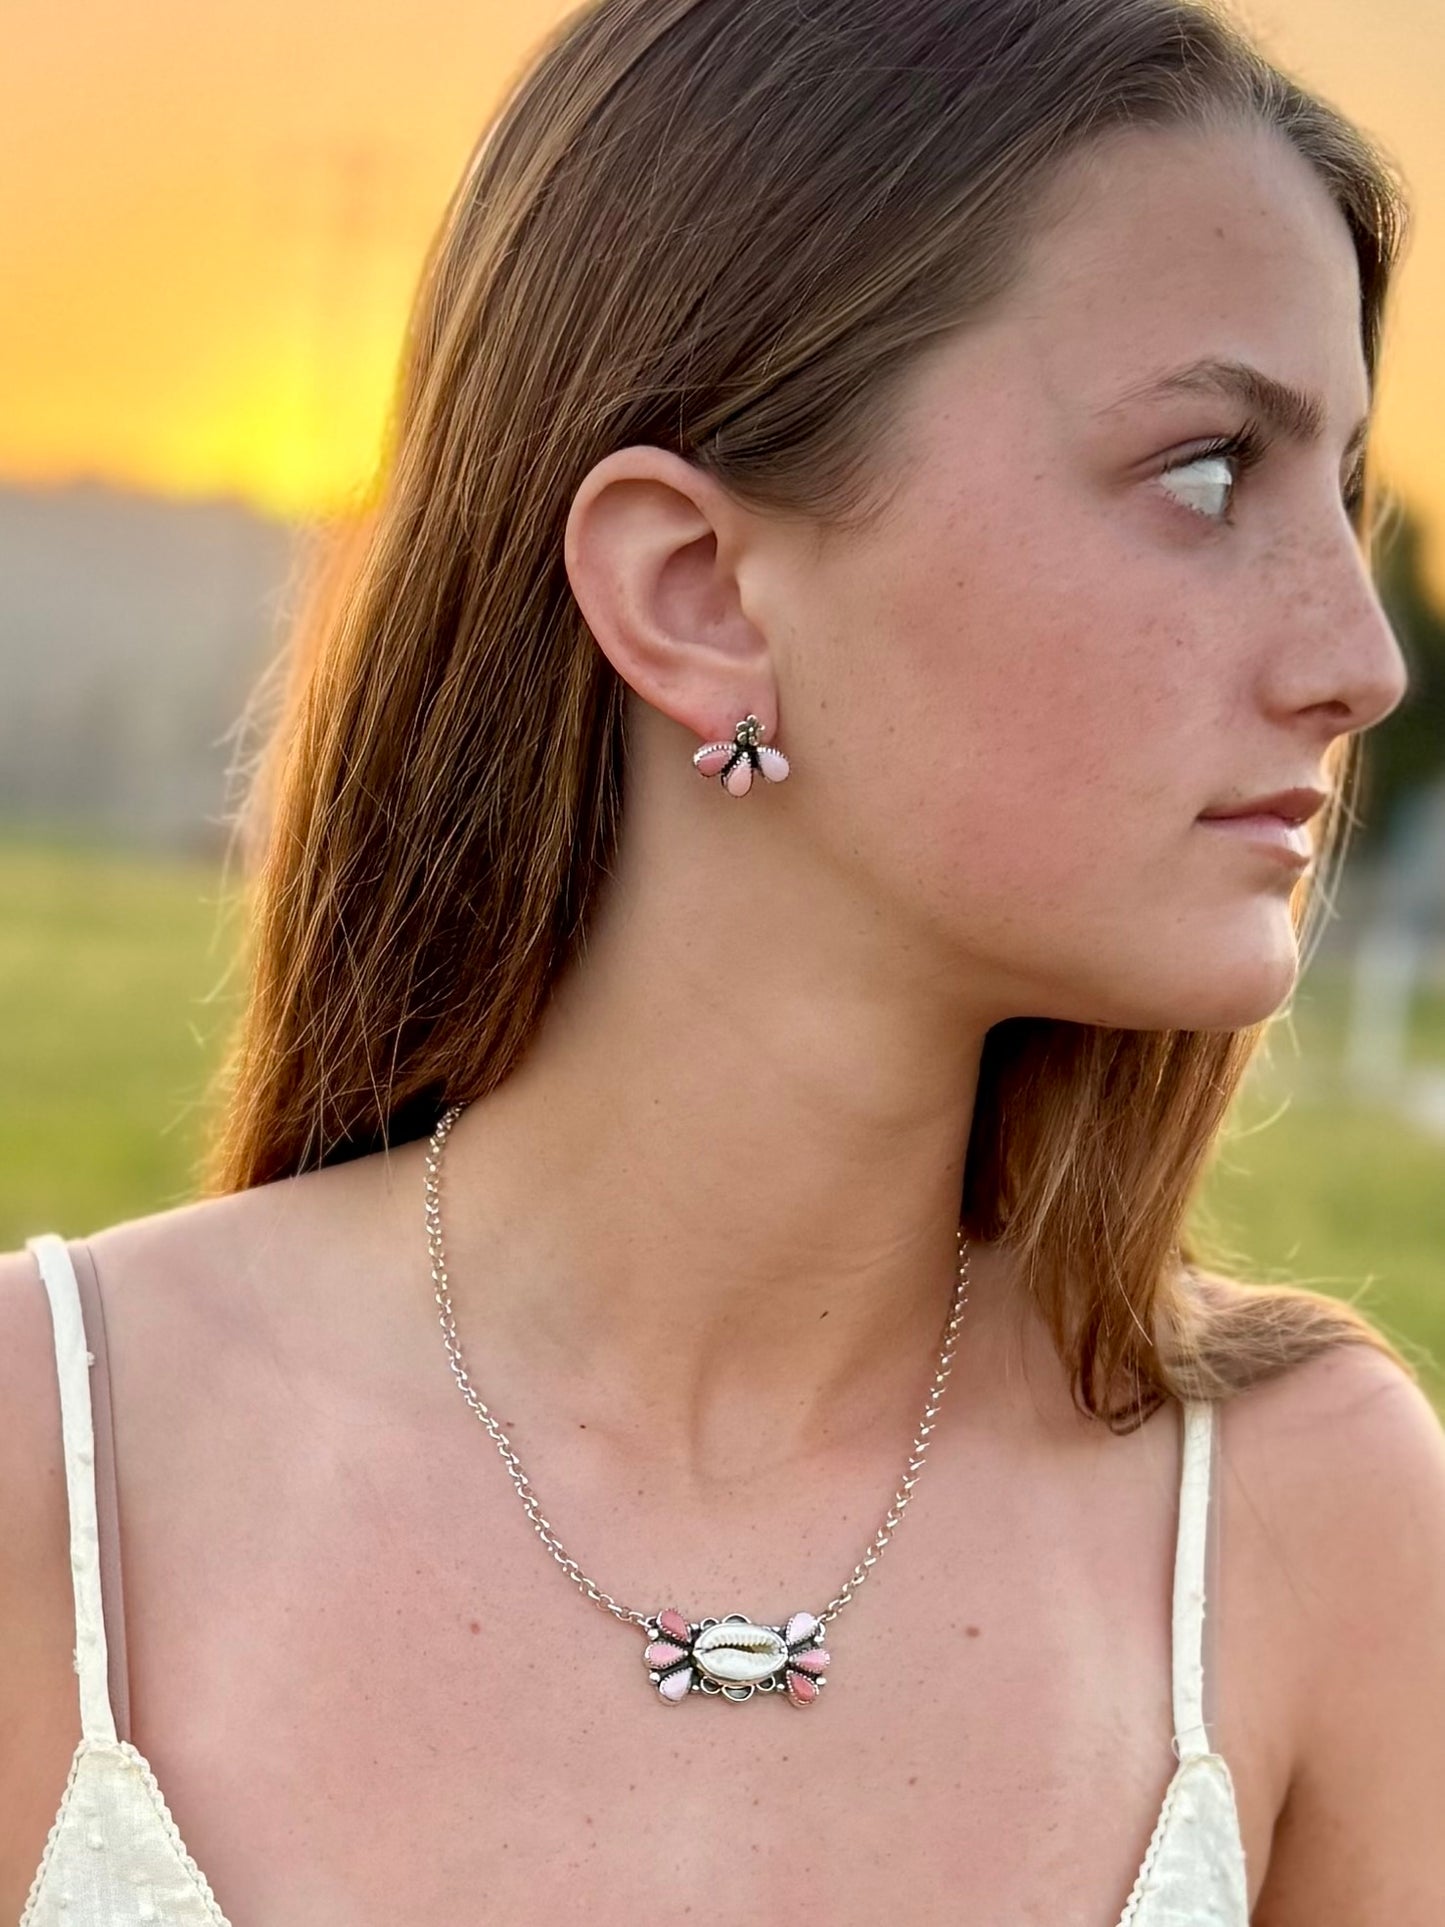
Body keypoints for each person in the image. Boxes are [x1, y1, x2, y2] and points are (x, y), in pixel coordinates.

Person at [4, 0, 1444, 1919]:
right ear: (696, 593)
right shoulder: (52, 1474)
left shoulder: (1307, 1526)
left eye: (1337, 498)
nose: (1359, 664)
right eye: (1203, 476)